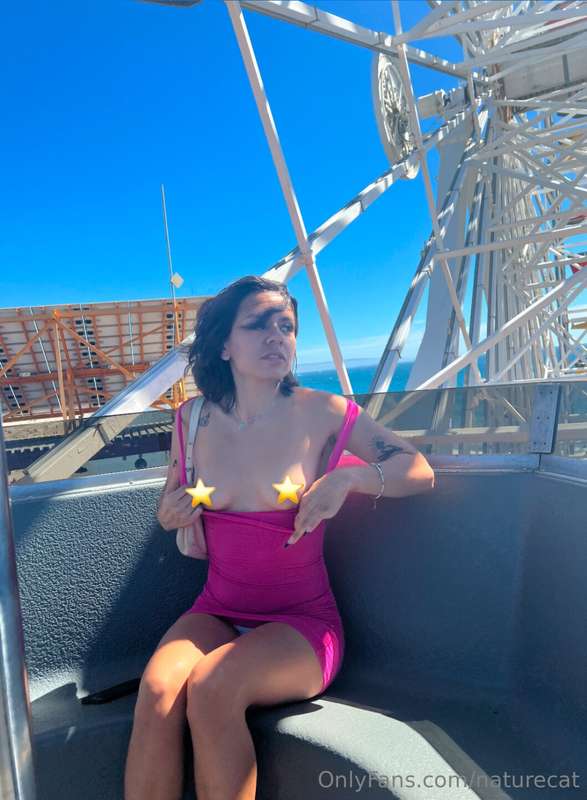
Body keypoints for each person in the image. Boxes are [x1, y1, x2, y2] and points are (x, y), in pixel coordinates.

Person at [124, 275, 435, 800]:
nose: (276, 336)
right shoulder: (190, 419)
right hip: (216, 611)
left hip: (303, 626)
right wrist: (170, 514)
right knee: (156, 693)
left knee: (214, 687)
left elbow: (419, 469)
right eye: (257, 325)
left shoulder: (324, 411)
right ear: (224, 345)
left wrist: (350, 479)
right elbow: (169, 501)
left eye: (286, 327)